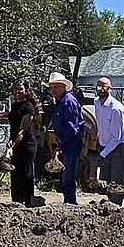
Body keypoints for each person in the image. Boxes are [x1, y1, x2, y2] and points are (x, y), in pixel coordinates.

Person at [90, 76, 124, 204]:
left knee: (115, 182)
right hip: (105, 145)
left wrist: (103, 154)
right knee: (106, 181)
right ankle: (108, 208)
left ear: (110, 89)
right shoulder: (96, 102)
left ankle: (116, 209)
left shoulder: (116, 109)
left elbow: (116, 137)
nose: (101, 90)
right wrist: (100, 146)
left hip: (119, 147)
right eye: (99, 87)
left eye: (105, 87)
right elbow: (101, 126)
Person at [47, 71, 84, 205]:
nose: (53, 90)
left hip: (70, 143)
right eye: (51, 87)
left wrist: (60, 146)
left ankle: (71, 205)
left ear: (63, 86)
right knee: (64, 176)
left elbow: (72, 129)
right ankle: (70, 202)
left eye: (55, 87)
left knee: (67, 177)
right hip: (65, 141)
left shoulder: (68, 102)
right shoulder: (60, 101)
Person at [5, 79, 40, 206]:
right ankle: (16, 202)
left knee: (26, 174)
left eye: (20, 89)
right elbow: (13, 127)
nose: (17, 92)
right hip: (16, 144)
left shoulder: (28, 107)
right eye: (16, 89)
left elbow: (21, 131)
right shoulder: (14, 106)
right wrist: (10, 142)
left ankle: (28, 203)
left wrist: (12, 147)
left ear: (26, 91)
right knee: (15, 174)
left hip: (26, 145)